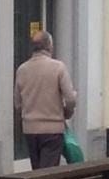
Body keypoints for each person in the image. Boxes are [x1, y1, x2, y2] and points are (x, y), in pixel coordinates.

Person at [13, 30, 76, 168]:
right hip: (52, 129)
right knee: (47, 175)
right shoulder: (58, 67)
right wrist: (66, 113)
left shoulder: (22, 70)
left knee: (37, 172)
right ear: (49, 45)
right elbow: (70, 99)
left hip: (30, 130)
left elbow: (17, 104)